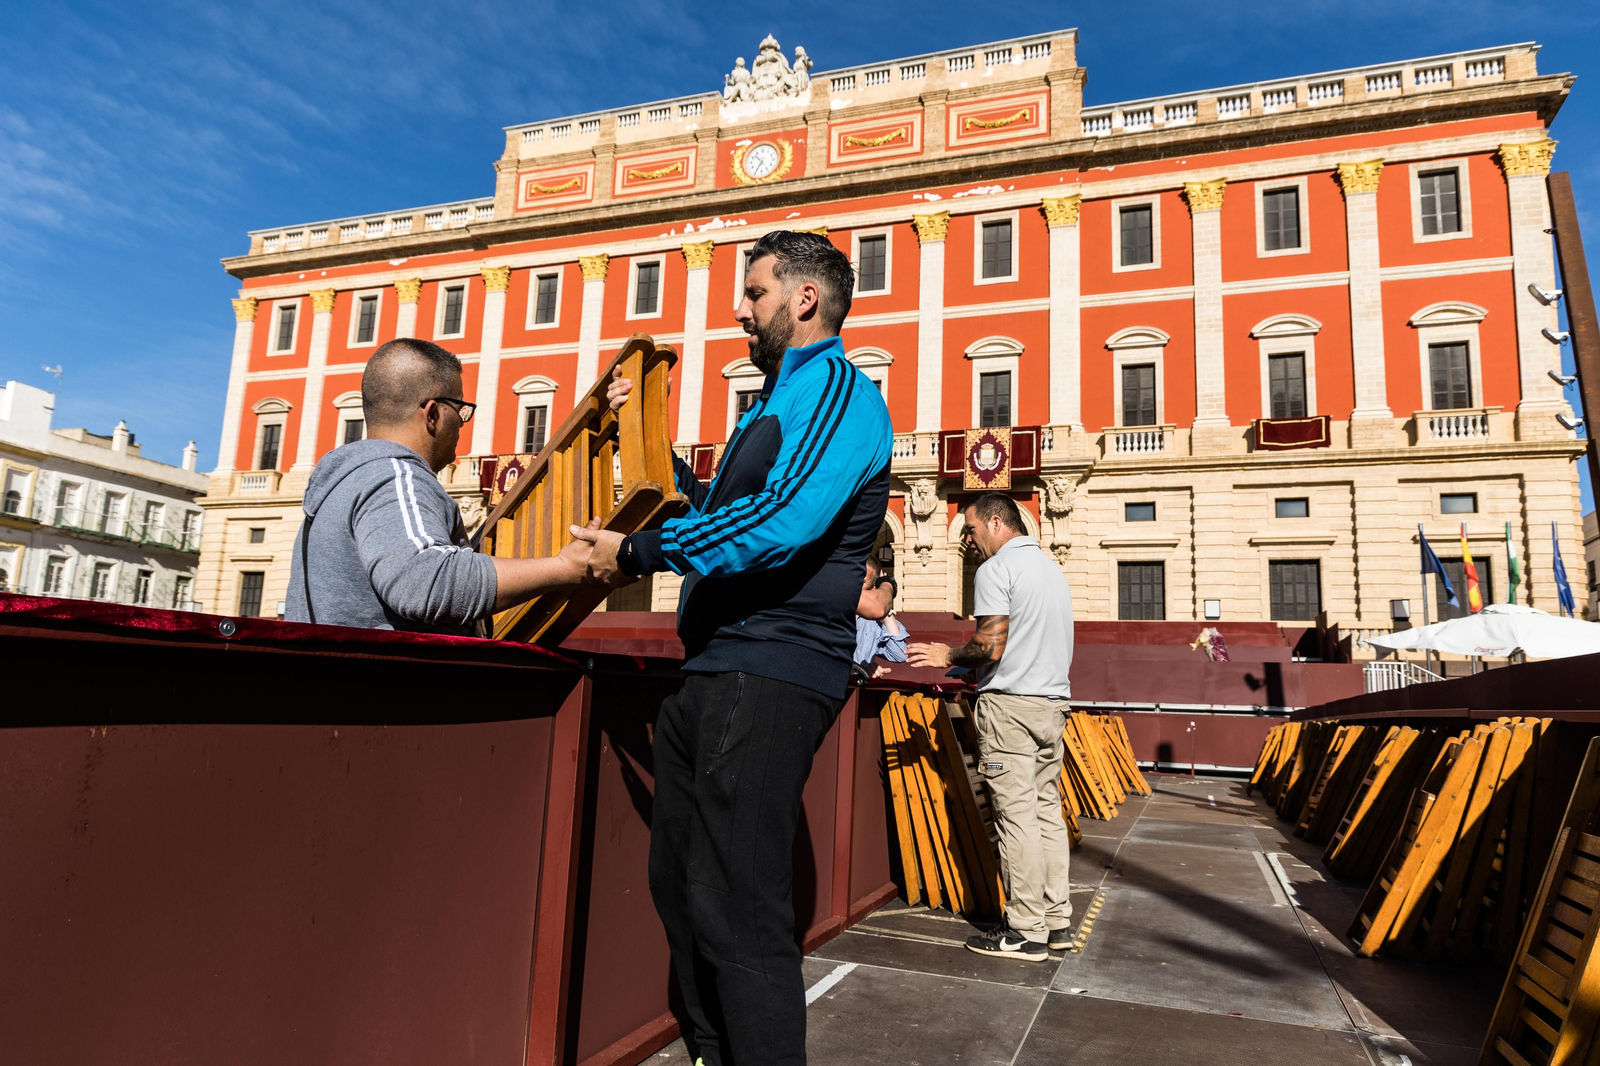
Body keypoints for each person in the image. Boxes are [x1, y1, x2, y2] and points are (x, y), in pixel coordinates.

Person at [577, 230, 892, 1065]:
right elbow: (714, 510)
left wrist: (635, 555)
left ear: (804, 299)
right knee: (680, 889)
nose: (738, 309)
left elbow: (783, 524)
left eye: (753, 293)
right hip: (718, 668)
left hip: (773, 666)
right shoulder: (769, 406)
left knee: (737, 904)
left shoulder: (838, 392)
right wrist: (635, 434)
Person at [285, 338, 597, 632]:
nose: (462, 422)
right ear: (433, 413)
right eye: (459, 408)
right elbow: (423, 581)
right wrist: (564, 568)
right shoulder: (394, 478)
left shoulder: (351, 481)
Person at [907, 493, 1075, 962]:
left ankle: (1024, 930)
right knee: (1045, 814)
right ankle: (1055, 921)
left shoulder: (996, 570)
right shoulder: (1050, 570)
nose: (969, 540)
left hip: (1010, 710)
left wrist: (948, 656)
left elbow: (990, 645)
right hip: (1052, 704)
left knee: (1015, 817)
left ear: (997, 523)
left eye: (973, 530)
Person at [854, 555, 906, 680]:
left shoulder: (872, 622)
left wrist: (883, 601)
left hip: (855, 690)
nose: (855, 583)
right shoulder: (830, 608)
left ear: (873, 587)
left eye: (863, 581)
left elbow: (900, 655)